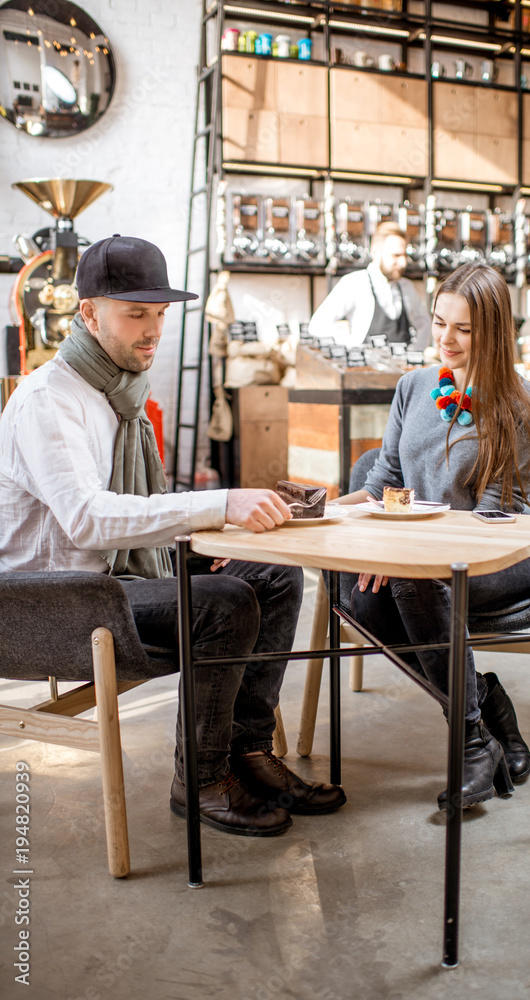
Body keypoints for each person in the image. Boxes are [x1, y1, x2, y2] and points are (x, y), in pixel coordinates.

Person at [0, 234, 346, 838]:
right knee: (225, 604)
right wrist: (219, 505)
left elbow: (146, 508)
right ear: (89, 312)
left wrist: (234, 516)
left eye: (159, 315)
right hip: (47, 602)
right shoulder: (48, 400)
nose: (153, 330)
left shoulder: (120, 394)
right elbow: (88, 518)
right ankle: (202, 778)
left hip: (111, 579)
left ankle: (246, 751)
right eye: (136, 314)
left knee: (272, 574)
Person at [334, 262, 530, 809]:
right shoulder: (412, 387)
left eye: (464, 329)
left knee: (413, 581)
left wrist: (409, 553)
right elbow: (385, 484)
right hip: (422, 562)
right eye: (439, 322)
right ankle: (483, 712)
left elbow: (499, 515)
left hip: (499, 558)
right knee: (349, 590)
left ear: (493, 332)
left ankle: (471, 746)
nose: (446, 339)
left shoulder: (523, 404)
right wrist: (318, 515)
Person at [308, 222, 431, 349]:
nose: (403, 263)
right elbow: (317, 325)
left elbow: (425, 324)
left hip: (402, 367)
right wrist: (349, 344)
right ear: (375, 252)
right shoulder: (355, 282)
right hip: (365, 367)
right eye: (396, 255)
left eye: (405, 256)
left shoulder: (407, 287)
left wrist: (417, 353)